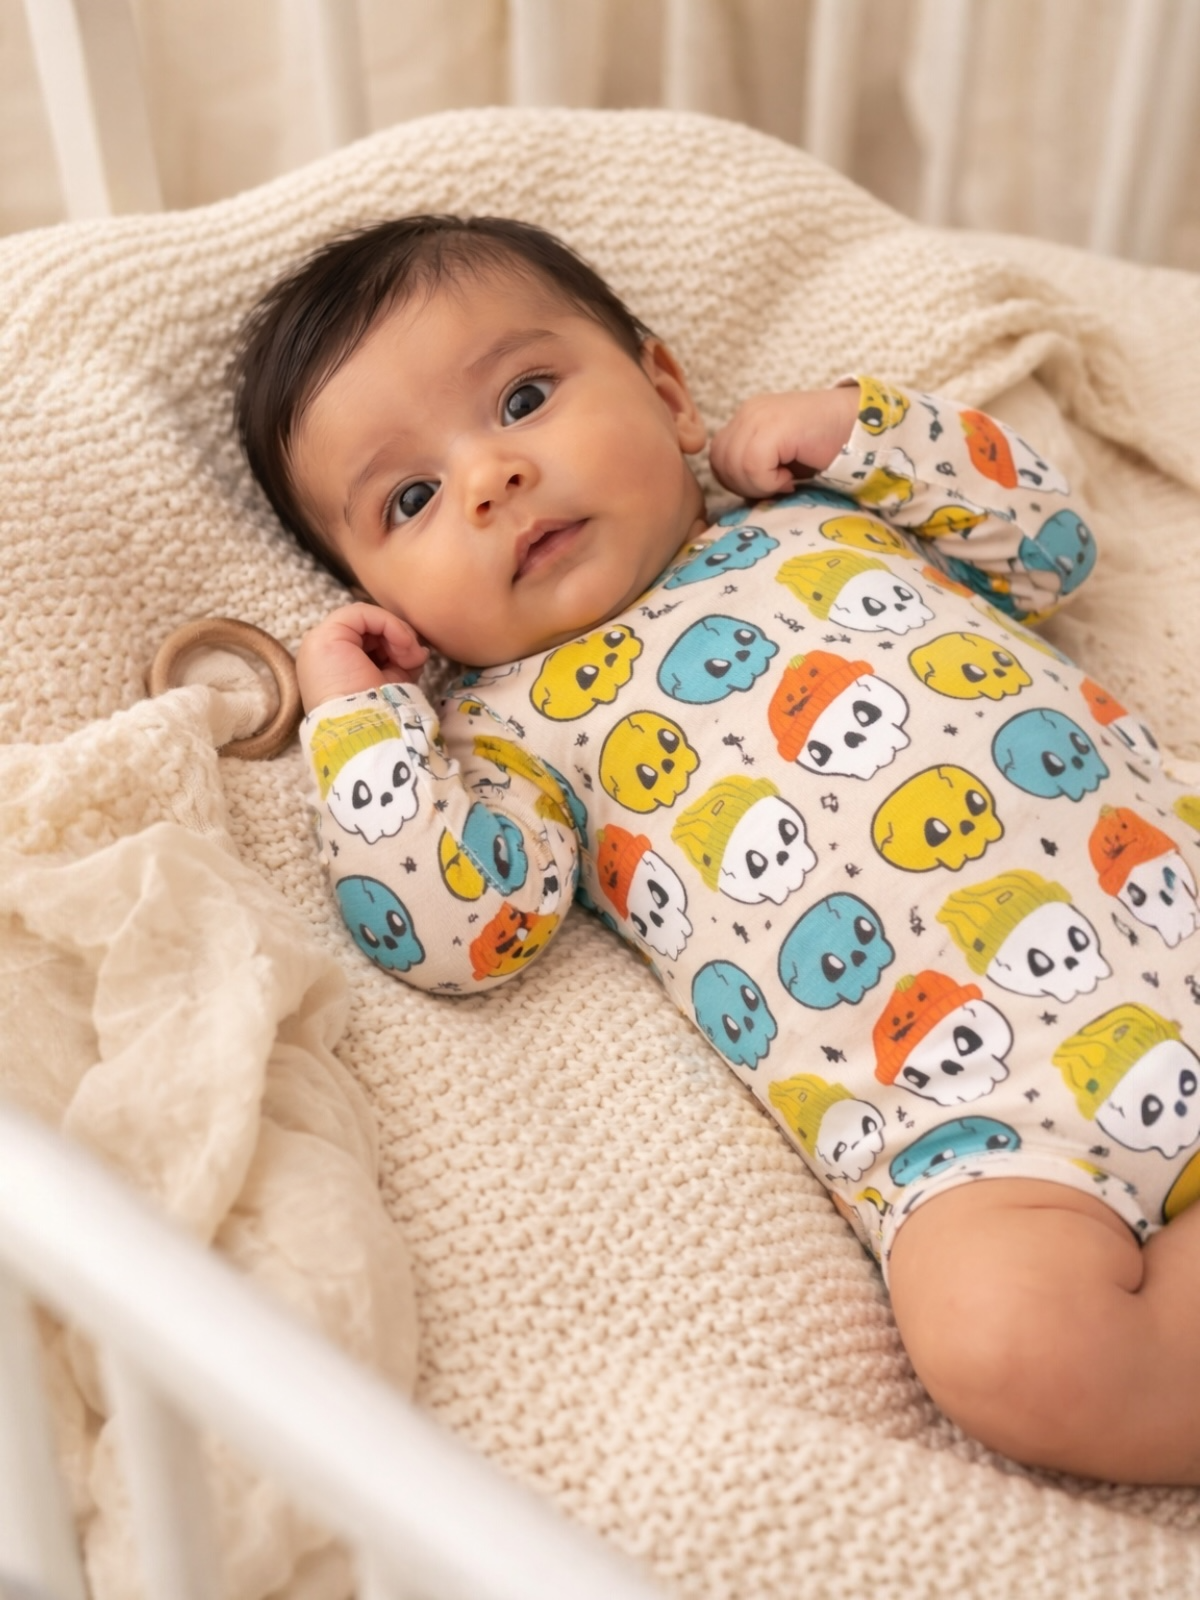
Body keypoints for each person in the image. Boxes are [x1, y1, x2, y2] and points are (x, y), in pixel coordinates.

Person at [233, 213, 1200, 1484]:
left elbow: (1049, 544)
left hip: (1161, 886)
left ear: (668, 388)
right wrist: (360, 720)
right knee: (1009, 1346)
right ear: (381, 594)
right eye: (410, 498)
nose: (490, 478)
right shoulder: (506, 731)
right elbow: (450, 933)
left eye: (525, 397)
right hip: (975, 1126)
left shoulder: (813, 507)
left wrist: (865, 432)